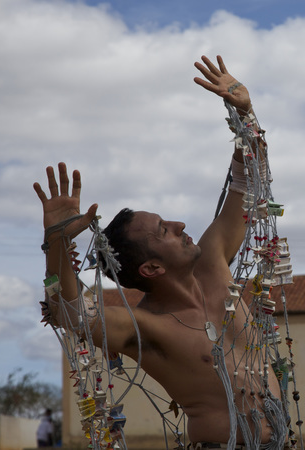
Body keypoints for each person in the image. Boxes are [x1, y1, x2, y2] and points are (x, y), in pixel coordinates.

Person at [33, 56, 286, 449]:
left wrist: (246, 115)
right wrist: (57, 242)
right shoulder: (144, 328)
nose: (181, 226)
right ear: (151, 268)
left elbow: (246, 185)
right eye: (164, 230)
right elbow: (72, 315)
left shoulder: (216, 263)